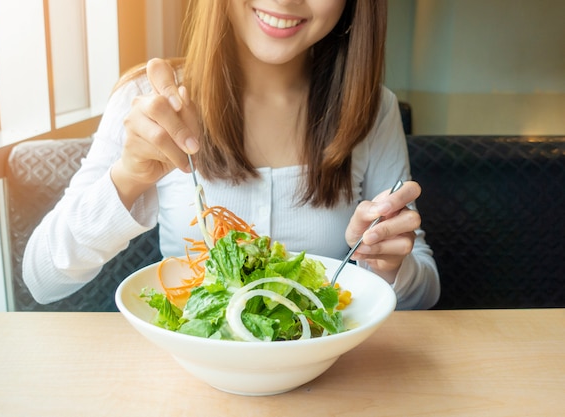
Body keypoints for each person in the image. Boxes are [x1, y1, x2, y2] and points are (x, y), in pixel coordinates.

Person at [23, 0, 440, 310]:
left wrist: (385, 265)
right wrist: (129, 177)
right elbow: (42, 278)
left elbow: (424, 292)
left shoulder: (372, 109)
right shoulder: (149, 101)